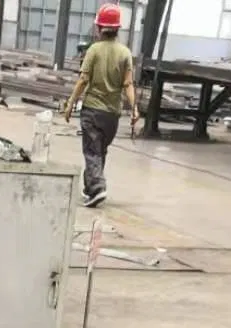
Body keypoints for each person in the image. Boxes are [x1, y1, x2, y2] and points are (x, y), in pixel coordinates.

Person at [63, 4, 136, 207]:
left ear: (99, 28)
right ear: (117, 28)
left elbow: (83, 80)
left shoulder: (94, 50)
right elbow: (128, 84)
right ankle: (90, 189)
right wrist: (134, 108)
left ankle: (97, 187)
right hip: (112, 115)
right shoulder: (125, 53)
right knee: (99, 151)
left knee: (92, 151)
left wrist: (70, 104)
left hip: (93, 110)